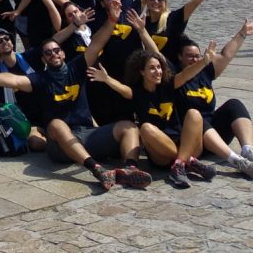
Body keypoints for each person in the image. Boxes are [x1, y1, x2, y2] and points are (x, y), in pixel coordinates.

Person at [0, 0, 152, 192]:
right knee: (56, 124)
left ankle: (129, 169)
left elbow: (97, 44)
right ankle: (97, 169)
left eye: (56, 50)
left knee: (128, 126)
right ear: (43, 59)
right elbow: (14, 80)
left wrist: (111, 21)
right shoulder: (39, 78)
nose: (53, 54)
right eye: (48, 53)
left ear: (63, 53)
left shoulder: (77, 67)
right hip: (59, 146)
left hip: (87, 134)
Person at [89, 43, 215, 189]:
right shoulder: (136, 92)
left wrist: (204, 61)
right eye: (152, 68)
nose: (158, 71)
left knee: (194, 114)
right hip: (161, 154)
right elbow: (122, 89)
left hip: (185, 145)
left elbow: (187, 74)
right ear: (142, 72)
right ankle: (188, 162)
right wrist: (106, 79)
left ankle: (180, 164)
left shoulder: (169, 84)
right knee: (146, 128)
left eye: (159, 67)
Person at [174, 21, 253, 177]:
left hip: (216, 136)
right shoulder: (176, 78)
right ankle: (237, 161)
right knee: (197, 117)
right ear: (179, 57)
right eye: (189, 56)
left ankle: (248, 150)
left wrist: (242, 33)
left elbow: (225, 55)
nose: (194, 59)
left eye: (197, 56)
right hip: (194, 138)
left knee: (234, 104)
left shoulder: (205, 72)